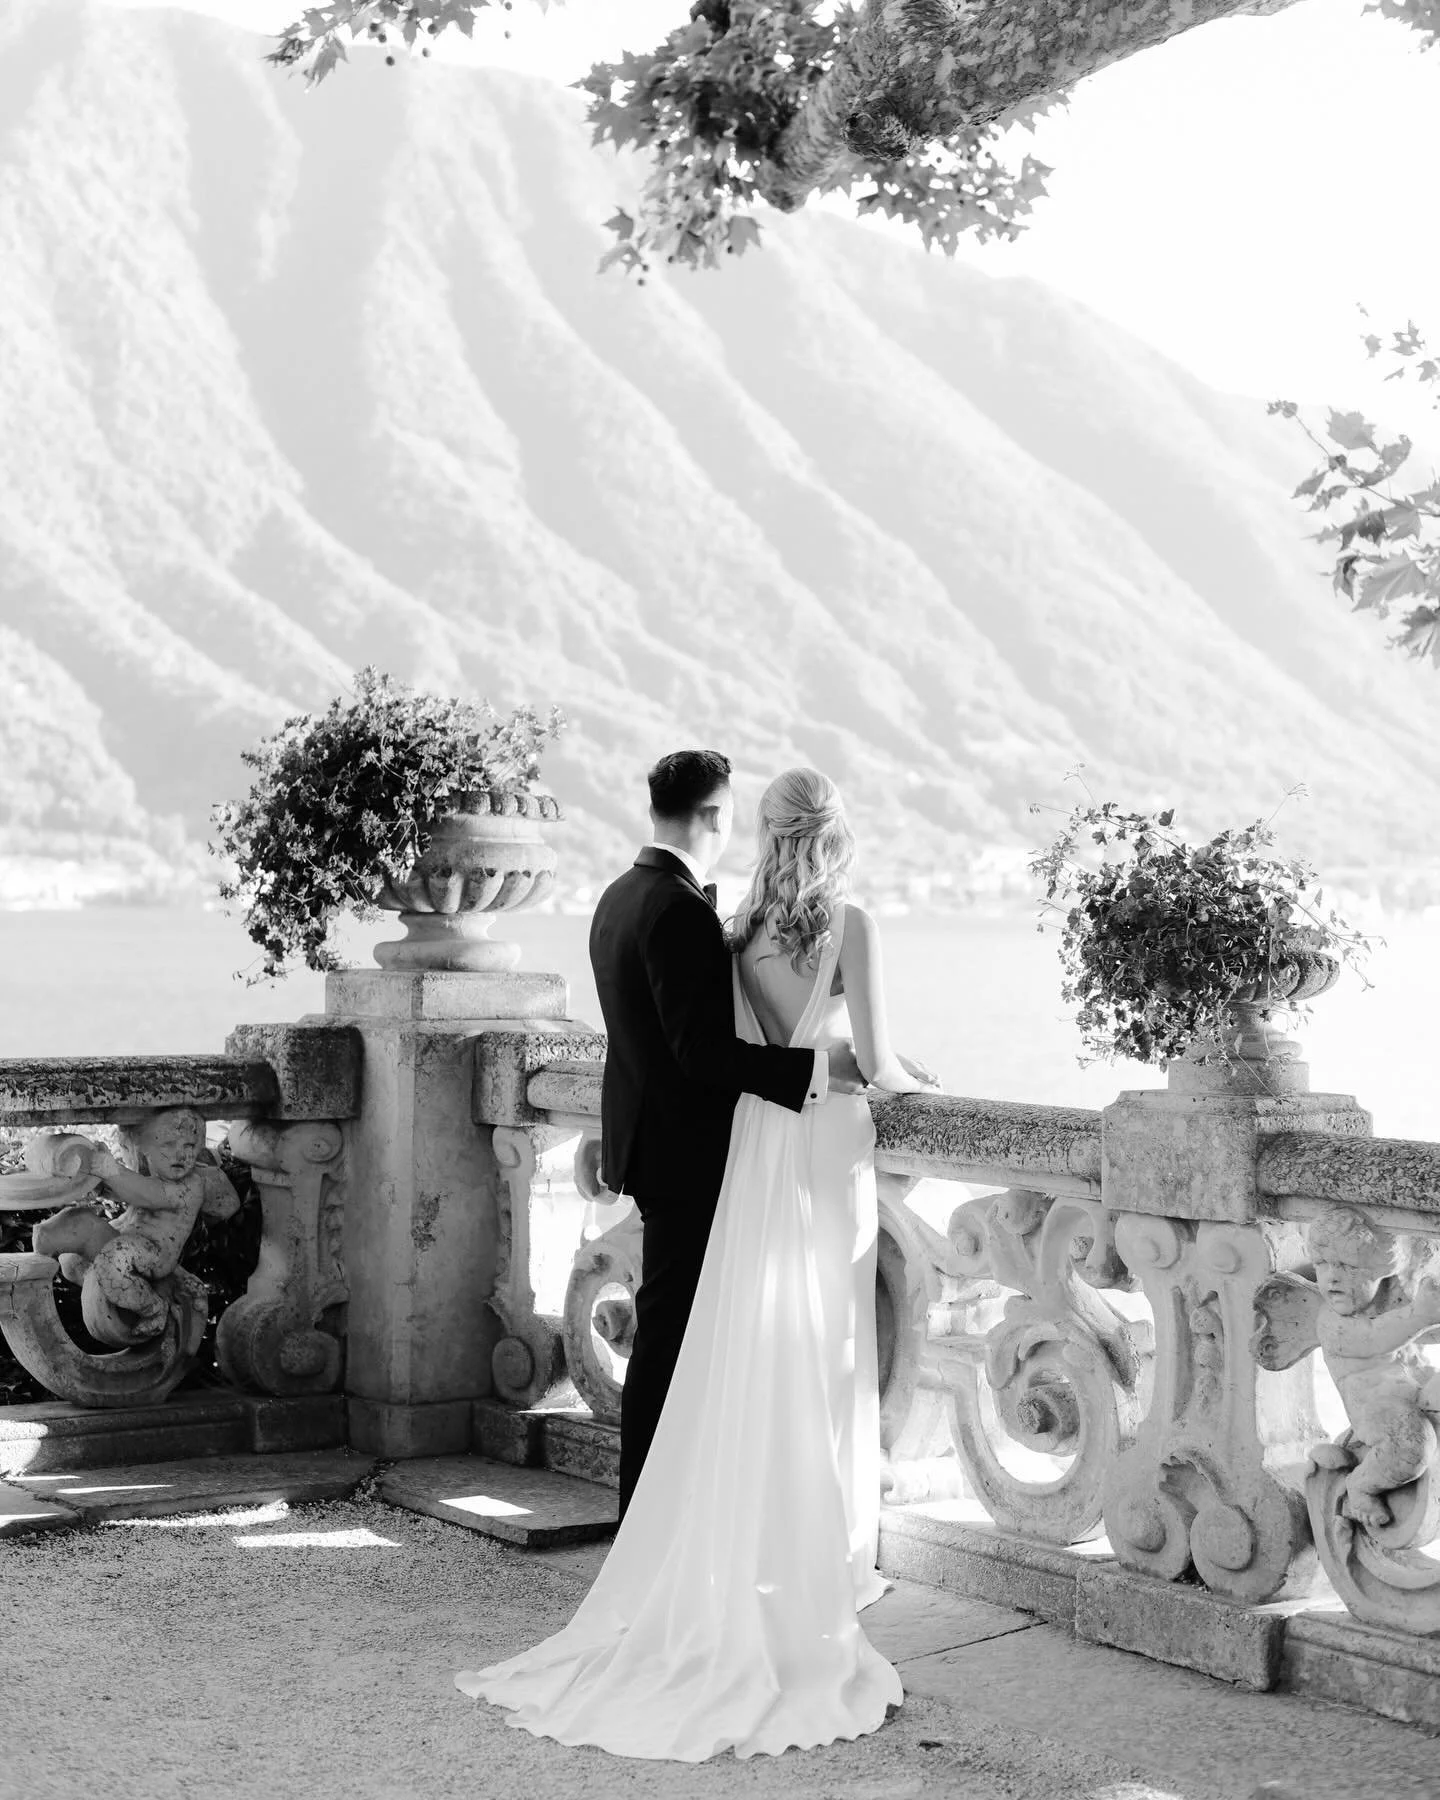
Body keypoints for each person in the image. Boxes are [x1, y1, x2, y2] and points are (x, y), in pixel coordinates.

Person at [456, 763, 940, 1760]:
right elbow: (870, 1066)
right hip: (806, 1144)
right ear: (835, 832)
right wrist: (885, 1074)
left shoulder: (724, 928)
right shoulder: (841, 927)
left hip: (751, 1157)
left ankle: (712, 1543)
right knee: (815, 1345)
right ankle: (809, 1556)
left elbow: (689, 1042)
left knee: (736, 1348)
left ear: (762, 831)